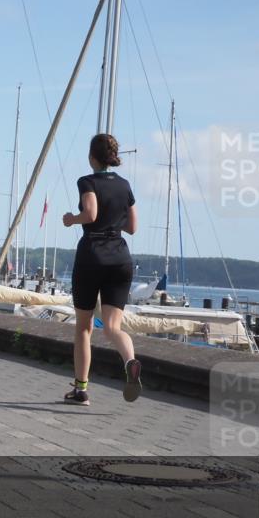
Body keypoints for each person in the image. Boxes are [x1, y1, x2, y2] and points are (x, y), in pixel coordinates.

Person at [61, 133, 142, 406]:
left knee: (84, 327)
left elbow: (91, 214)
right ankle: (130, 361)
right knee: (112, 327)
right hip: (120, 259)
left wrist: (73, 219)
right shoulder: (125, 185)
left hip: (92, 258)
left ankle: (81, 390)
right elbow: (132, 227)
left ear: (92, 157)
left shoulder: (87, 181)